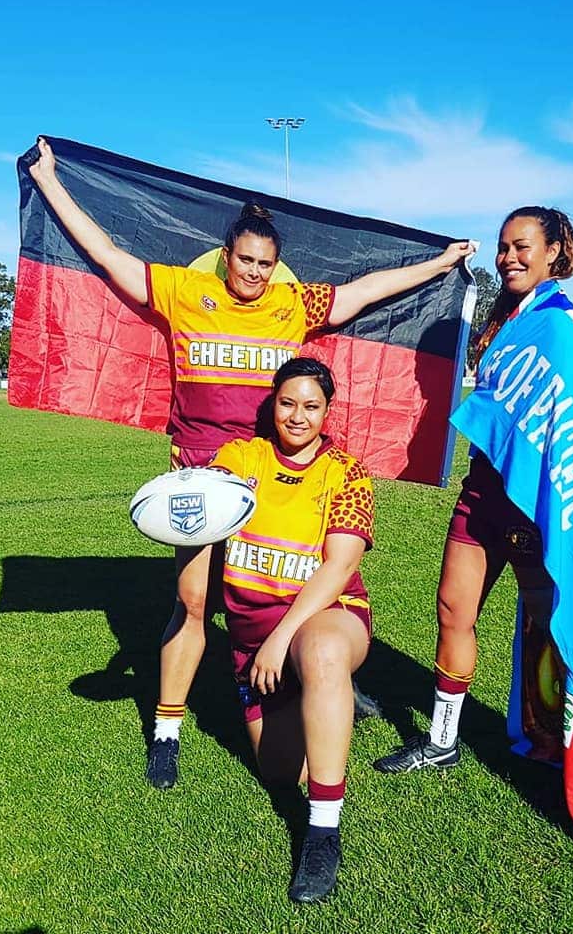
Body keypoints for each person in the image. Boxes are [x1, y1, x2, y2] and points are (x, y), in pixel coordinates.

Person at [27, 138, 473, 790]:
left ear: (276, 266)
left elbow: (365, 293)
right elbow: (105, 254)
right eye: (246, 259)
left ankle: (326, 681)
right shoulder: (184, 291)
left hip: (275, 474)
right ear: (226, 256)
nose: (256, 272)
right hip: (205, 480)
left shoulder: (293, 306)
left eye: (267, 263)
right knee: (194, 598)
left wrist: (438, 265)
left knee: (290, 588)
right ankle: (169, 727)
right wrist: (49, 182)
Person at [373, 206, 573, 858]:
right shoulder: (501, 320)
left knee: (547, 626)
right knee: (451, 611)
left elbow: (571, 425)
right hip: (480, 495)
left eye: (522, 247)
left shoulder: (563, 328)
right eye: (502, 248)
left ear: (553, 252)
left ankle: (558, 748)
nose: (509, 257)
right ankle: (441, 741)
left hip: (531, 505)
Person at [208, 357, 374, 903]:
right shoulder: (240, 458)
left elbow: (338, 566)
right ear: (271, 403)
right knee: (281, 773)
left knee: (322, 653)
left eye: (311, 406)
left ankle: (323, 833)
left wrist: (284, 639)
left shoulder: (346, 471)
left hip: (326, 617)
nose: (298, 416)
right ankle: (321, 694)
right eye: (287, 403)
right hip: (253, 638)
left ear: (328, 411)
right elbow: (196, 510)